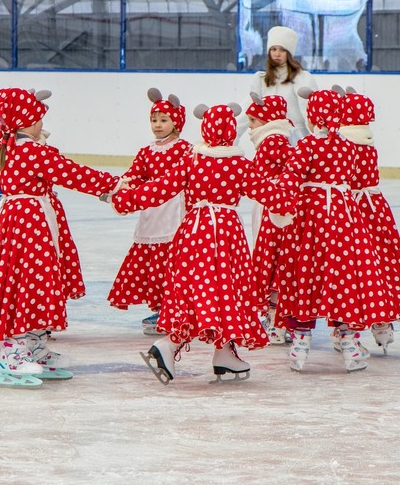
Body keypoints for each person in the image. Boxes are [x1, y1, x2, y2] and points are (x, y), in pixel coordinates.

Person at [0, 88, 120, 387]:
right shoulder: (33, 152)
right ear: (24, 121)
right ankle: (14, 351)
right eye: (37, 119)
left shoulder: (4, 150)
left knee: (29, 281)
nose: (41, 124)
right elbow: (73, 173)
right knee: (27, 282)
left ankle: (33, 344)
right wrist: (114, 184)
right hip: (28, 225)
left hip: (22, 224)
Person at [111, 103, 294, 386]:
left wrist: (123, 199)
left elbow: (157, 189)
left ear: (205, 129)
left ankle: (214, 351)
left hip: (192, 234)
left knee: (195, 290)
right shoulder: (239, 164)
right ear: (232, 131)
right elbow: (275, 197)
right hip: (226, 235)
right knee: (226, 291)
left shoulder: (192, 160)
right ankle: (180, 346)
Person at [273, 88, 400, 374]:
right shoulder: (348, 147)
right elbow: (356, 181)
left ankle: (300, 343)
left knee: (305, 277)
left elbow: (290, 178)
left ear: (313, 117)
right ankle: (349, 345)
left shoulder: (307, 146)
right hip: (344, 222)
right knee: (343, 278)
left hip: (309, 221)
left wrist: (279, 204)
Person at [337, 87, 400, 354]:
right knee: (382, 262)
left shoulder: (344, 145)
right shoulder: (368, 142)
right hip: (375, 209)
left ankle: (343, 326)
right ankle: (382, 322)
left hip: (350, 209)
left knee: (351, 267)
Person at [107, 88, 192, 334]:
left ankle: (176, 308)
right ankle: (160, 307)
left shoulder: (185, 150)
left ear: (176, 122)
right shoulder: (147, 151)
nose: (157, 125)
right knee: (154, 263)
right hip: (152, 212)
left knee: (174, 262)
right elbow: (134, 174)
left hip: (175, 212)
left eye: (164, 119)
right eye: (154, 120)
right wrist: (120, 186)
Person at [245, 92, 294, 345]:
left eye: (253, 120)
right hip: (269, 204)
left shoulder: (273, 140)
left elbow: (293, 165)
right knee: (272, 258)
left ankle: (276, 321)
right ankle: (276, 319)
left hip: (272, 209)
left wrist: (278, 188)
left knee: (271, 257)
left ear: (266, 120)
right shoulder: (270, 140)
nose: (250, 126)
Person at [249, 25, 318, 141]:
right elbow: (250, 110)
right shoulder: (261, 79)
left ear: (289, 53)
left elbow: (310, 109)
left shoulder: (302, 77)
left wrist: (318, 135)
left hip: (297, 136)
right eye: (273, 49)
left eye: (282, 50)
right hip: (269, 136)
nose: (277, 54)